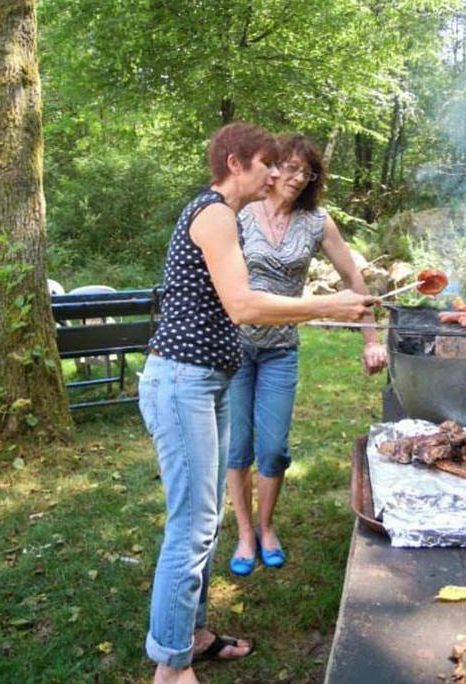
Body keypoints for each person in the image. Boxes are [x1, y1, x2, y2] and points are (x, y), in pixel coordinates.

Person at [138, 122, 376, 684]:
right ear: (235, 161)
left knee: (203, 522)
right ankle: (169, 670)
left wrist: (341, 307)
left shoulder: (225, 215)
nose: (276, 174)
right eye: (267, 163)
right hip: (181, 382)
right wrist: (326, 307)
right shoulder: (218, 215)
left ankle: (190, 637)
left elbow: (245, 298)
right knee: (190, 525)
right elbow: (245, 306)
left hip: (206, 379)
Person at [227, 133, 387, 576]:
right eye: (290, 168)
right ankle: (244, 533)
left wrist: (371, 340)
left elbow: (354, 278)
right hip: (234, 348)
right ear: (272, 167)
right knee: (237, 447)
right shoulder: (238, 213)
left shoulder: (317, 222)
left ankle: (266, 525)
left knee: (273, 448)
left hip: (281, 351)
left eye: (307, 171)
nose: (297, 178)